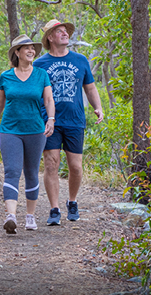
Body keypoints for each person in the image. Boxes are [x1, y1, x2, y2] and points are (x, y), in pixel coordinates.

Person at [33, 19, 103, 226]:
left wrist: (97, 106)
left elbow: (90, 88)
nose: (65, 34)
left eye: (66, 31)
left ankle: (72, 201)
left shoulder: (80, 60)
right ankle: (54, 209)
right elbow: (35, 93)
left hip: (75, 120)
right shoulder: (40, 64)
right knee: (51, 164)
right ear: (50, 37)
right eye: (60, 31)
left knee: (76, 167)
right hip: (50, 121)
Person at [0, 34, 55, 234]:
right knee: (11, 171)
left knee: (32, 172)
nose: (31, 51)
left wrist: (50, 119)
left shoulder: (41, 74)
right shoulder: (6, 76)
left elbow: (49, 100)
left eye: (32, 48)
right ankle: (11, 216)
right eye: (26, 48)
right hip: (10, 129)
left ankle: (30, 216)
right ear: (17, 52)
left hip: (35, 130)